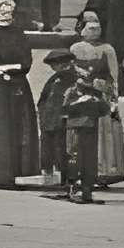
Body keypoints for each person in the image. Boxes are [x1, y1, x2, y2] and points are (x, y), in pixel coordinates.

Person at [0, 0, 39, 189]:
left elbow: (25, 61)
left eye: (8, 12)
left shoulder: (19, 34)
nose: (5, 15)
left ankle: (10, 175)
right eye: (1, 12)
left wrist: (9, 69)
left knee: (13, 129)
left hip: (15, 87)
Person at [74, 10, 124, 187]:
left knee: (105, 132)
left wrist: (109, 91)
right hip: (81, 95)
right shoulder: (75, 48)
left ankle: (103, 172)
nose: (94, 29)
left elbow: (114, 76)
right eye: (89, 25)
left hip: (102, 96)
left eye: (97, 25)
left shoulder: (108, 50)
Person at [63, 43, 115, 204]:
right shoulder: (71, 90)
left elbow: (104, 109)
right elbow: (64, 108)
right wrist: (80, 102)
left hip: (90, 128)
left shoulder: (95, 93)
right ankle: (74, 188)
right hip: (76, 128)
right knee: (75, 158)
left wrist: (96, 101)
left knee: (90, 161)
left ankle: (87, 190)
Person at [37, 48, 76, 193]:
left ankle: (62, 177)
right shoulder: (59, 77)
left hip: (59, 119)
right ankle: (59, 176)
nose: (53, 67)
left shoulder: (65, 78)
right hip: (52, 119)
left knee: (60, 148)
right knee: (56, 147)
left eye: (54, 64)